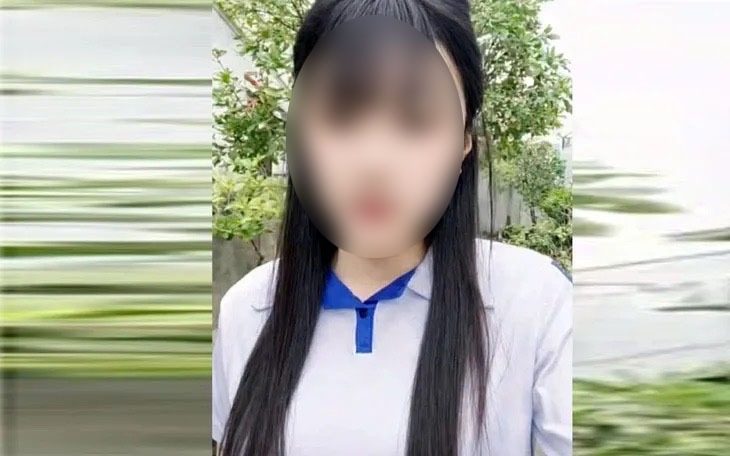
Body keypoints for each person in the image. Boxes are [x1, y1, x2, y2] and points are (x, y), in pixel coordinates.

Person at [213, 1, 572, 455]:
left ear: (464, 141)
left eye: (416, 119)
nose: (375, 161)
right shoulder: (248, 312)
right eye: (341, 117)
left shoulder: (536, 305)